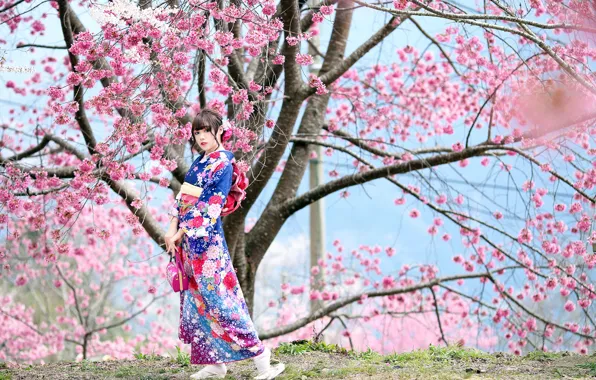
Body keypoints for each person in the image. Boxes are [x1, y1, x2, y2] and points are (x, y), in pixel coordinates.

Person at [163, 108, 285, 379]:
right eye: (197, 132)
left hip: (207, 244)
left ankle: (263, 360)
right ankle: (215, 363)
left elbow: (211, 207)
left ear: (220, 131)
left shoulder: (223, 164)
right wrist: (171, 229)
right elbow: (184, 197)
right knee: (196, 300)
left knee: (220, 300)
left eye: (206, 131)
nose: (201, 136)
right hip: (188, 243)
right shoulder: (199, 162)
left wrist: (180, 232)